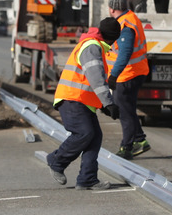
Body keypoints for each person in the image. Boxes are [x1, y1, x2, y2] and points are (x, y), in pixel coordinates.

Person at [46, 17, 122, 191]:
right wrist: (108, 103)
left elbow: (89, 81)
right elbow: (95, 78)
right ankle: (56, 161)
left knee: (94, 137)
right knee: (84, 133)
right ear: (113, 38)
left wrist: (103, 106)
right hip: (72, 99)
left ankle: (87, 179)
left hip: (81, 101)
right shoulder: (92, 47)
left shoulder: (95, 46)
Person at [106, 0, 151, 160]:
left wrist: (114, 75)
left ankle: (126, 147)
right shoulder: (130, 18)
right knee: (128, 108)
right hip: (134, 71)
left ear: (112, 8)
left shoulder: (125, 25)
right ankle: (140, 140)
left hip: (128, 74)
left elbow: (124, 54)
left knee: (124, 111)